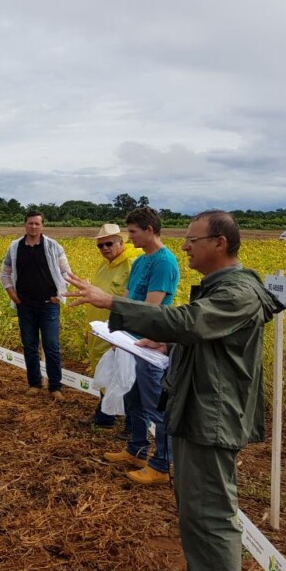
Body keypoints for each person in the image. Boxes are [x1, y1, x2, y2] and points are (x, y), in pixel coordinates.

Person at [67, 210, 283, 571]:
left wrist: (114, 305)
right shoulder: (224, 290)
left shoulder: (238, 292)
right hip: (197, 408)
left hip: (213, 416)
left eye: (193, 239)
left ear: (220, 242)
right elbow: (197, 334)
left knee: (210, 515)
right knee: (192, 505)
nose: (185, 246)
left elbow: (187, 322)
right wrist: (169, 343)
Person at [102, 206, 180, 485]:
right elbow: (126, 298)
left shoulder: (164, 262)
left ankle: (161, 464)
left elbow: (151, 307)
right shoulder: (140, 262)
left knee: (154, 404)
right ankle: (136, 450)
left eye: (133, 232)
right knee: (132, 397)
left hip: (150, 343)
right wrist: (117, 333)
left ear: (150, 230)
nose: (129, 237)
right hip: (130, 341)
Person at [0, 210, 72, 400]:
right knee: (29, 345)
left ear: (42, 226)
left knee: (51, 345)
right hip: (25, 305)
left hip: (49, 305)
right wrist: (13, 295)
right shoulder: (15, 247)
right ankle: (34, 383)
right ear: (25, 225)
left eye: (37, 224)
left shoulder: (53, 246)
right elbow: (5, 272)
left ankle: (55, 387)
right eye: (30, 223)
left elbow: (66, 273)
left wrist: (60, 295)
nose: (33, 227)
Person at [77, 223, 141, 428]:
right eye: (100, 245)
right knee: (104, 372)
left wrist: (123, 332)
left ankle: (132, 426)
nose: (104, 249)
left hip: (118, 333)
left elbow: (133, 302)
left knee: (126, 376)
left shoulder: (132, 264)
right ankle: (106, 415)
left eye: (109, 244)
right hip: (100, 331)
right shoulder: (104, 265)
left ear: (121, 242)